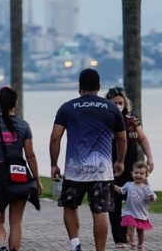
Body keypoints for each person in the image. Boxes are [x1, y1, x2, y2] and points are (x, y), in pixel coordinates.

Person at [50, 68, 127, 251]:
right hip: (102, 170)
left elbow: (55, 138)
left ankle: (75, 244)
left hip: (75, 170)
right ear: (99, 87)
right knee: (100, 211)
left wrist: (54, 164)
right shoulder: (111, 108)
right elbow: (122, 138)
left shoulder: (67, 107)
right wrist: (120, 161)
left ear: (80, 87)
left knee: (70, 206)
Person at [0, 87, 42, 251]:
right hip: (19, 175)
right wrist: (37, 180)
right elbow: (30, 156)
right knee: (16, 222)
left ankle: (1, 246)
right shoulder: (24, 125)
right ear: (16, 103)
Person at [105, 86, 155, 247]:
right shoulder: (105, 121)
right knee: (114, 204)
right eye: (114, 103)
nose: (118, 105)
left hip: (132, 169)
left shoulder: (132, 120)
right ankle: (119, 239)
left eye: (120, 102)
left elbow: (143, 139)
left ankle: (129, 234)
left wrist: (150, 157)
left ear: (125, 103)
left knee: (133, 202)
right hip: (112, 167)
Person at [113, 161, 156, 249]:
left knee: (140, 230)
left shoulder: (146, 188)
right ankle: (131, 239)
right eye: (136, 173)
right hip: (130, 211)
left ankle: (140, 244)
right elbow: (121, 190)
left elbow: (153, 196)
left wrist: (152, 197)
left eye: (141, 173)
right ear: (132, 173)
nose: (138, 175)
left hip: (141, 213)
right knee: (130, 225)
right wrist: (114, 187)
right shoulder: (129, 185)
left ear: (146, 176)